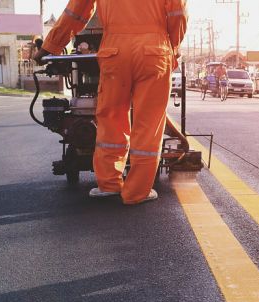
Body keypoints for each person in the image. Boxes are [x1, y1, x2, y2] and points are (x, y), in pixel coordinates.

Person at [34, 0, 188, 205]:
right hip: (155, 51)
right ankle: (137, 192)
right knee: (148, 123)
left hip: (114, 51)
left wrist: (50, 46)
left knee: (111, 117)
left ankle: (109, 184)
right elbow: (178, 14)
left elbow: (75, 12)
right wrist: (173, 47)